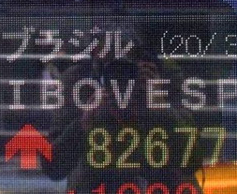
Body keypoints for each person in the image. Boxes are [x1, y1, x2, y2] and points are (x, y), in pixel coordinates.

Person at [40, 29, 202, 194]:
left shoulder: (161, 75)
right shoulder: (78, 82)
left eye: (127, 65)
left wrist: (161, 108)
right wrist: (83, 124)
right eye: (111, 67)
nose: (120, 77)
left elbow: (193, 161)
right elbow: (53, 168)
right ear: (95, 57)